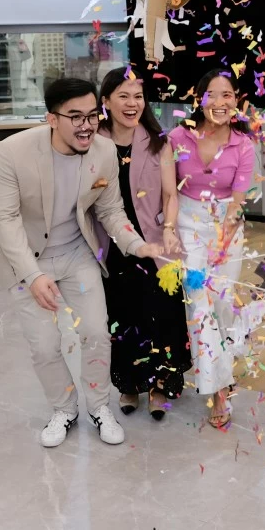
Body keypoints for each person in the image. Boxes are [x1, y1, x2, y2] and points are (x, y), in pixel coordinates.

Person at [0, 78, 166, 448]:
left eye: (92, 115)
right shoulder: (11, 152)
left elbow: (110, 210)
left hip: (78, 255)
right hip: (28, 260)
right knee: (44, 346)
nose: (86, 125)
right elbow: (4, 220)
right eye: (75, 117)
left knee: (96, 333)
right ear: (52, 119)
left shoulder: (104, 151)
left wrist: (137, 245)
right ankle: (64, 409)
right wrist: (32, 276)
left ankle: (98, 406)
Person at [94, 66, 189, 420]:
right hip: (112, 245)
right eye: (123, 96)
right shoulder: (94, 141)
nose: (132, 103)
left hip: (154, 242)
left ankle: (159, 384)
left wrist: (170, 227)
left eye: (138, 96)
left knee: (161, 316)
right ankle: (131, 384)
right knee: (123, 316)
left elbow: (170, 194)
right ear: (106, 102)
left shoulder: (157, 141)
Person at [167, 70, 256, 430]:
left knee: (221, 304)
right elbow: (168, 190)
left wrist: (224, 234)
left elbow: (238, 200)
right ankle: (217, 390)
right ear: (199, 99)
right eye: (212, 95)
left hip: (226, 229)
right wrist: (169, 229)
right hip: (187, 225)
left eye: (227, 95)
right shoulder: (178, 137)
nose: (220, 102)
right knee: (198, 305)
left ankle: (221, 374)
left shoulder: (243, 145)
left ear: (236, 101)